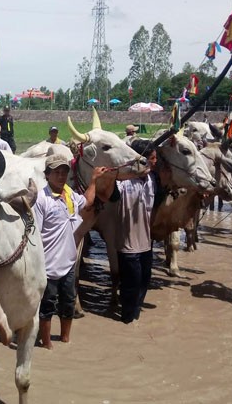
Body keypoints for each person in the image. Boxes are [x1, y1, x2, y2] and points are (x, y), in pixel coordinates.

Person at [33, 154, 107, 349]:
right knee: (46, 307)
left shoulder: (69, 194)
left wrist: (93, 180)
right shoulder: (41, 200)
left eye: (64, 172)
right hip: (48, 265)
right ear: (47, 175)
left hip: (68, 263)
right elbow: (35, 236)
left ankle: (65, 339)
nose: (61, 176)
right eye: (56, 172)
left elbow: (87, 202)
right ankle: (46, 343)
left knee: (68, 304)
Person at [114, 141, 158, 324]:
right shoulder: (123, 183)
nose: (155, 162)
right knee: (131, 283)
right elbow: (112, 195)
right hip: (128, 244)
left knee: (145, 279)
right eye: (152, 158)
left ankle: (134, 313)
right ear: (141, 160)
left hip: (146, 242)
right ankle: (127, 316)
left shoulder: (152, 180)